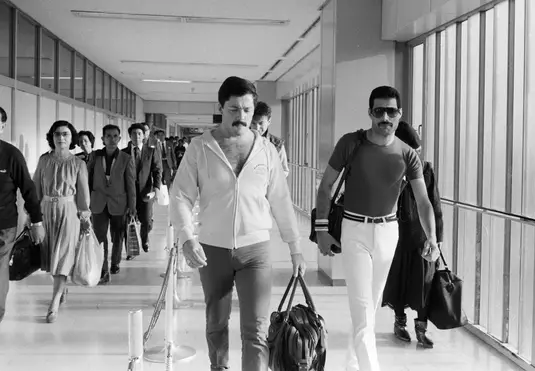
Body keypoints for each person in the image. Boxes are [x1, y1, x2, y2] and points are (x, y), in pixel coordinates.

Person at [170, 76, 306, 371]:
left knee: (255, 330)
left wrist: (295, 247)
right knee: (216, 324)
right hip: (212, 249)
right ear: (220, 107)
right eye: (233, 109)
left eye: (247, 109)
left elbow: (281, 201)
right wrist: (187, 237)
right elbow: (180, 195)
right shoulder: (200, 148)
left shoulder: (267, 151)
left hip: (256, 250)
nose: (241, 116)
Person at [314, 86, 440, 371]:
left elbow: (423, 201)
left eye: (391, 111)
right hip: (355, 230)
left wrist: (432, 238)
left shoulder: (408, 154)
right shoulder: (350, 143)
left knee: (368, 309)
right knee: (361, 310)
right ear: (370, 113)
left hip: (387, 233)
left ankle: (351, 364)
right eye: (379, 111)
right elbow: (325, 187)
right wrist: (322, 228)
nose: (385, 117)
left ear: (400, 115)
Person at [381, 121, 444, 348]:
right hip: (396, 237)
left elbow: (434, 205)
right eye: (411, 150)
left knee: (425, 283)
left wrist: (437, 238)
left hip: (422, 237)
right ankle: (400, 322)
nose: (416, 155)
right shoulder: (390, 169)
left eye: (417, 151)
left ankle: (422, 327)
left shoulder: (426, 170)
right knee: (399, 281)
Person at [32, 121, 91, 323]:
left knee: (63, 254)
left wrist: (85, 216)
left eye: (65, 134)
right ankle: (60, 287)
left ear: (71, 137)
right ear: (52, 137)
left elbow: (83, 194)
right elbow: (35, 189)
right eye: (57, 134)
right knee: (50, 255)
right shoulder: (44, 161)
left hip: (69, 212)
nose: (61, 138)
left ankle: (54, 300)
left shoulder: (78, 164)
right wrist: (33, 217)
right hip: (46, 210)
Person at [0, 106, 45, 323]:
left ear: (2, 126)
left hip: (3, 224)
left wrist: (36, 220)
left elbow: (28, 189)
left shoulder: (11, 155)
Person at [88, 124, 137, 283]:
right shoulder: (95, 157)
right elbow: (87, 180)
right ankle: (103, 269)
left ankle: (115, 262)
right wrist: (85, 202)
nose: (112, 139)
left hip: (119, 203)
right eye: (108, 136)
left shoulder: (126, 158)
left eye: (115, 136)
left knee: (118, 236)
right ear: (102, 139)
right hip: (98, 202)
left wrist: (132, 207)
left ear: (120, 138)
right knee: (100, 237)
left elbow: (130, 185)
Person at [122, 123, 162, 254]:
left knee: (146, 220)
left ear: (143, 135)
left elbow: (157, 170)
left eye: (139, 133)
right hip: (128, 192)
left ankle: (145, 239)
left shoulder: (151, 150)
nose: (137, 136)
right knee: (129, 220)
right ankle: (130, 249)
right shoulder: (123, 153)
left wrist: (156, 187)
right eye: (134, 133)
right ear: (130, 135)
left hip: (146, 190)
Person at [251, 101, 289, 177]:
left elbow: (284, 171)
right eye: (253, 123)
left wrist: (270, 175)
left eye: (261, 123)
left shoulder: (277, 144)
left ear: (269, 121)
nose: (257, 128)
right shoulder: (242, 141)